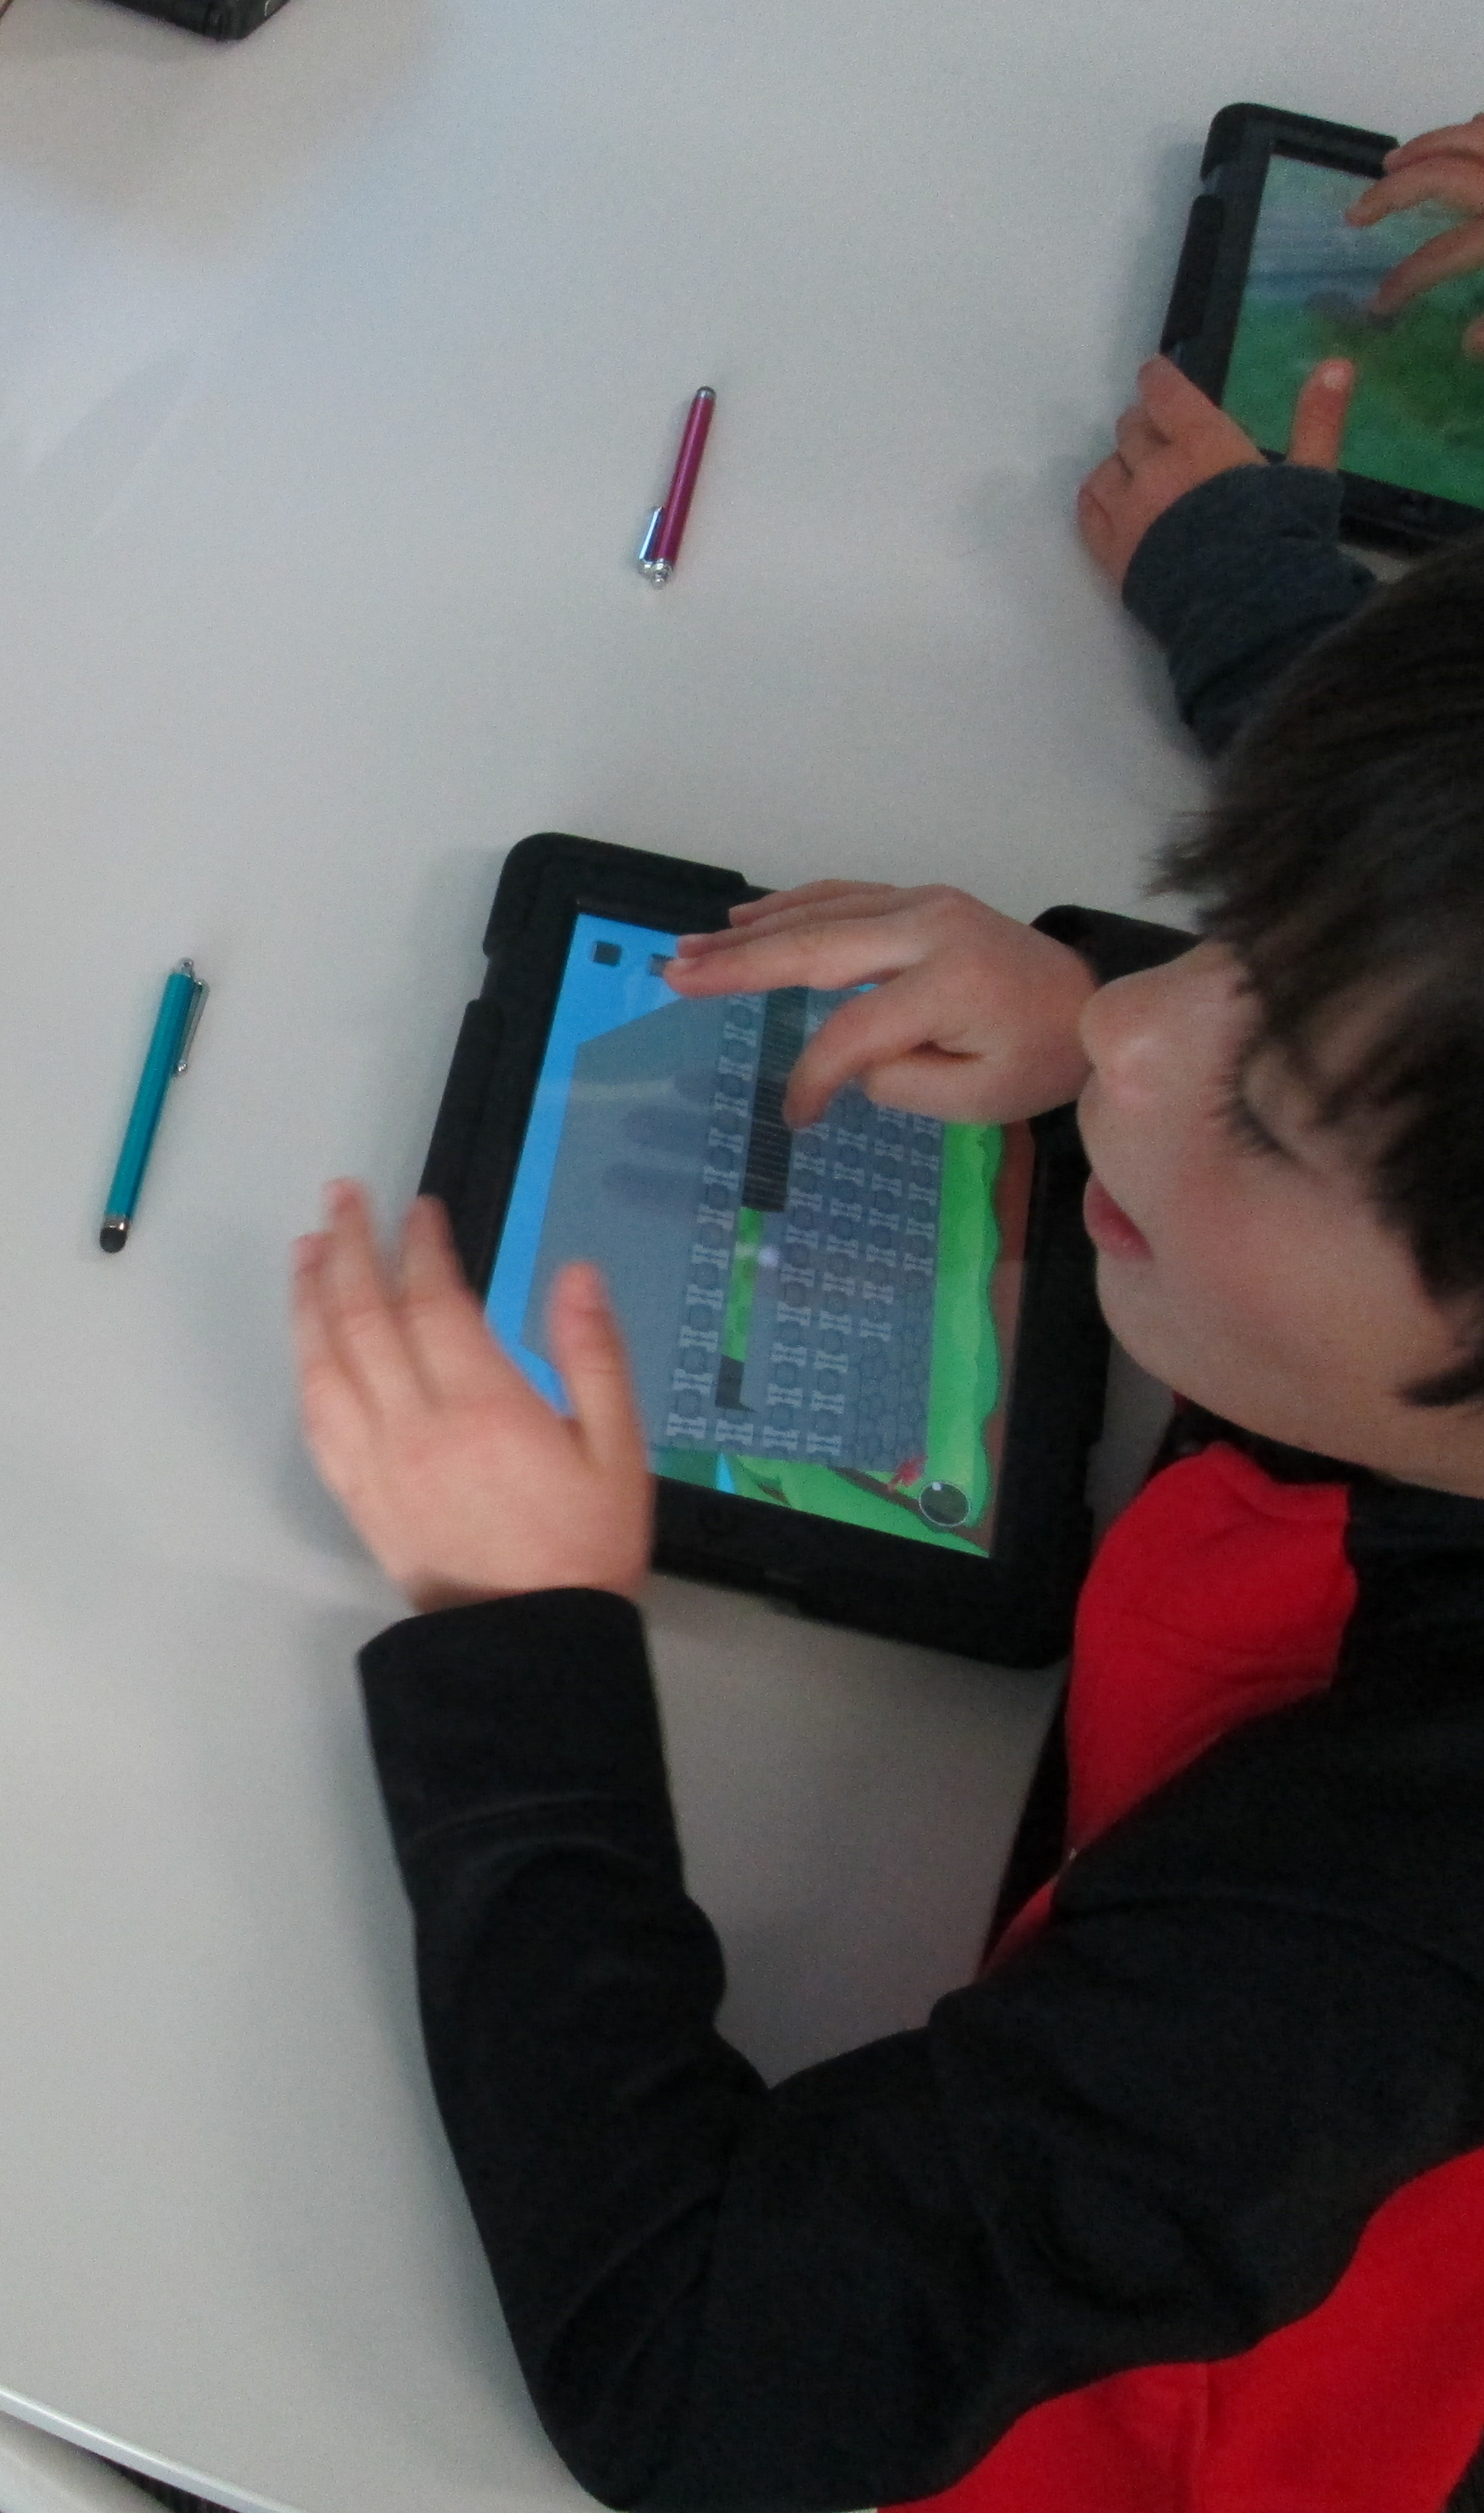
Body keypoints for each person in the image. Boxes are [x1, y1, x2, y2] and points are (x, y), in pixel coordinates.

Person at [290, 221, 1484, 2513]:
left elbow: (696, 2370)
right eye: (1224, 931)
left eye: (1268, 1111)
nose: (1127, 1030)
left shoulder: (1374, 1938)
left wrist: (520, 1647)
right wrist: (1262, 624)